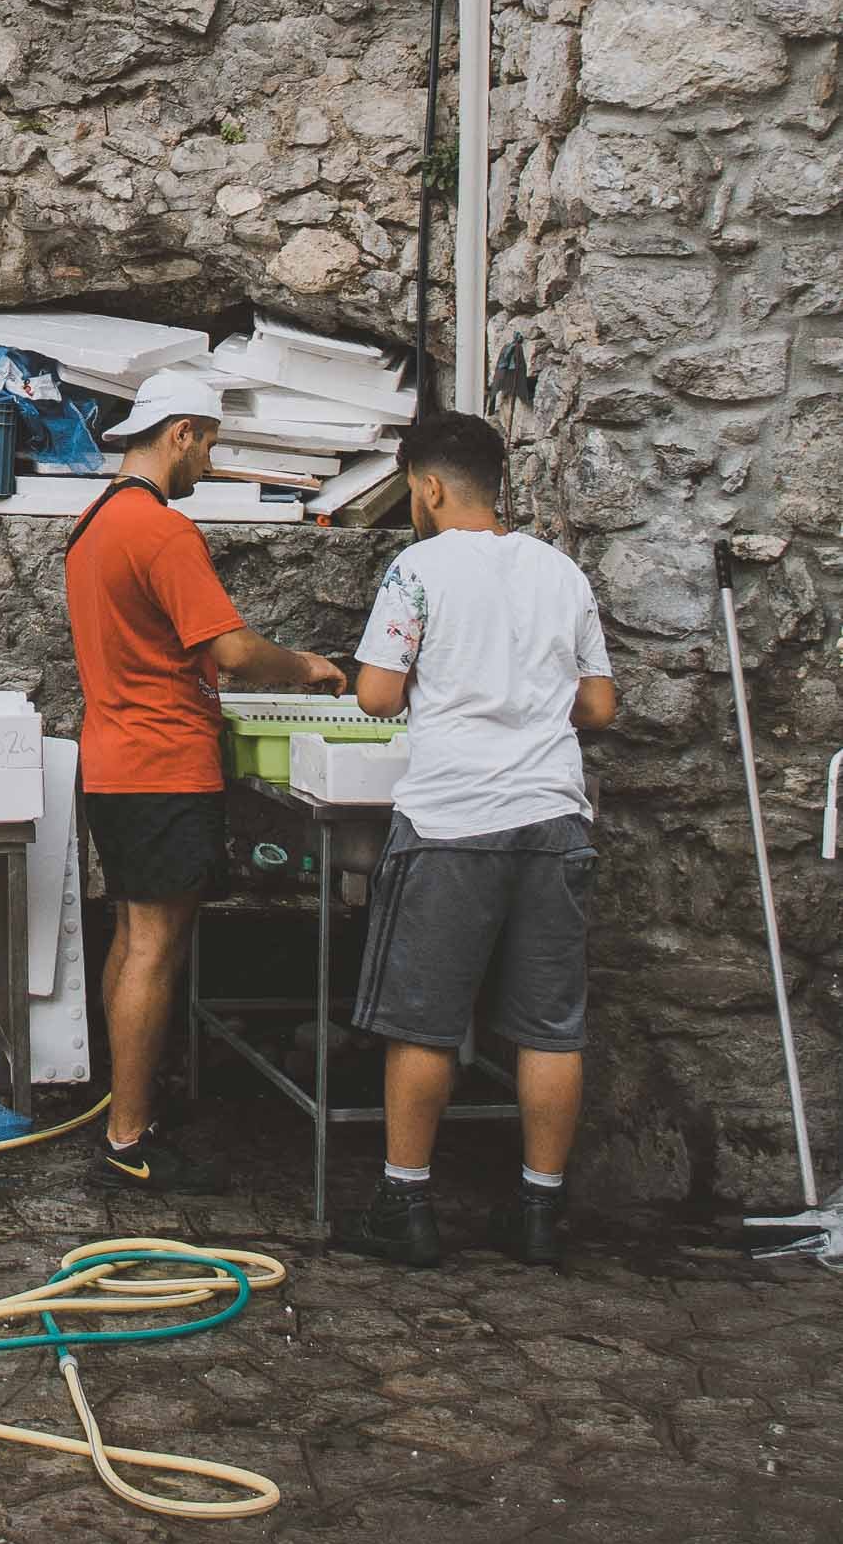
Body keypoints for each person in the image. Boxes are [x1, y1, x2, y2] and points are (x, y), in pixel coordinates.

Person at [331, 410, 616, 1270]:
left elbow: (378, 695)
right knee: (548, 1027)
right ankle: (538, 1211)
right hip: (553, 818)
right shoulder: (561, 572)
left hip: (454, 821)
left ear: (425, 486)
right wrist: (524, 700)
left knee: (422, 1023)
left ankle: (406, 1203)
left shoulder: (416, 569)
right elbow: (599, 706)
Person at [63, 369, 348, 1194]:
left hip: (112, 761)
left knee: (130, 932)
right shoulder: (159, 532)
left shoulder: (91, 526)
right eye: (211, 443)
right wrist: (308, 667)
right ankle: (127, 1137)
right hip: (162, 764)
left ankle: (128, 1105)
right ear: (180, 432)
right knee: (155, 943)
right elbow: (228, 651)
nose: (211, 463)